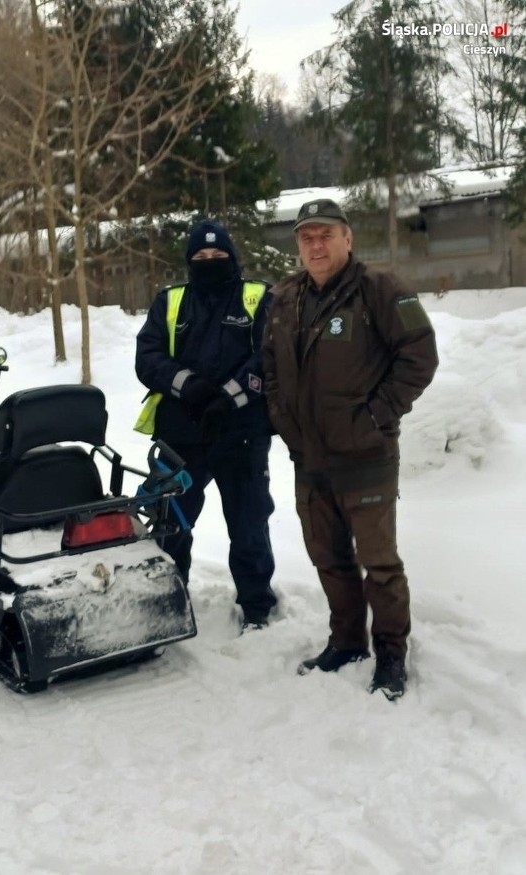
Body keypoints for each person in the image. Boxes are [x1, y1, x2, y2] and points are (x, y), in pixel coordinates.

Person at [262, 198, 438, 700]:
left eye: (326, 235)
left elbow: (419, 356)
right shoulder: (287, 296)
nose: (316, 245)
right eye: (306, 237)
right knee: (328, 557)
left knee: (379, 562)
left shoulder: (380, 290)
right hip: (310, 458)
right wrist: (282, 417)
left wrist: (377, 415)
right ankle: (346, 642)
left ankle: (390, 655)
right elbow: (272, 366)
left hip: (365, 456)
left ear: (347, 239)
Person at [135, 219, 278, 631]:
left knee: (249, 522)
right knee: (170, 519)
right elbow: (148, 357)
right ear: (188, 262)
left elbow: (268, 357)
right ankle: (166, 596)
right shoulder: (170, 301)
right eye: (200, 257)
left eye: (218, 257)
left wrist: (228, 396)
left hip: (241, 431)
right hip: (182, 432)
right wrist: (190, 386)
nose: (210, 262)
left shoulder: (258, 297)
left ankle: (256, 608)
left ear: (232, 258)